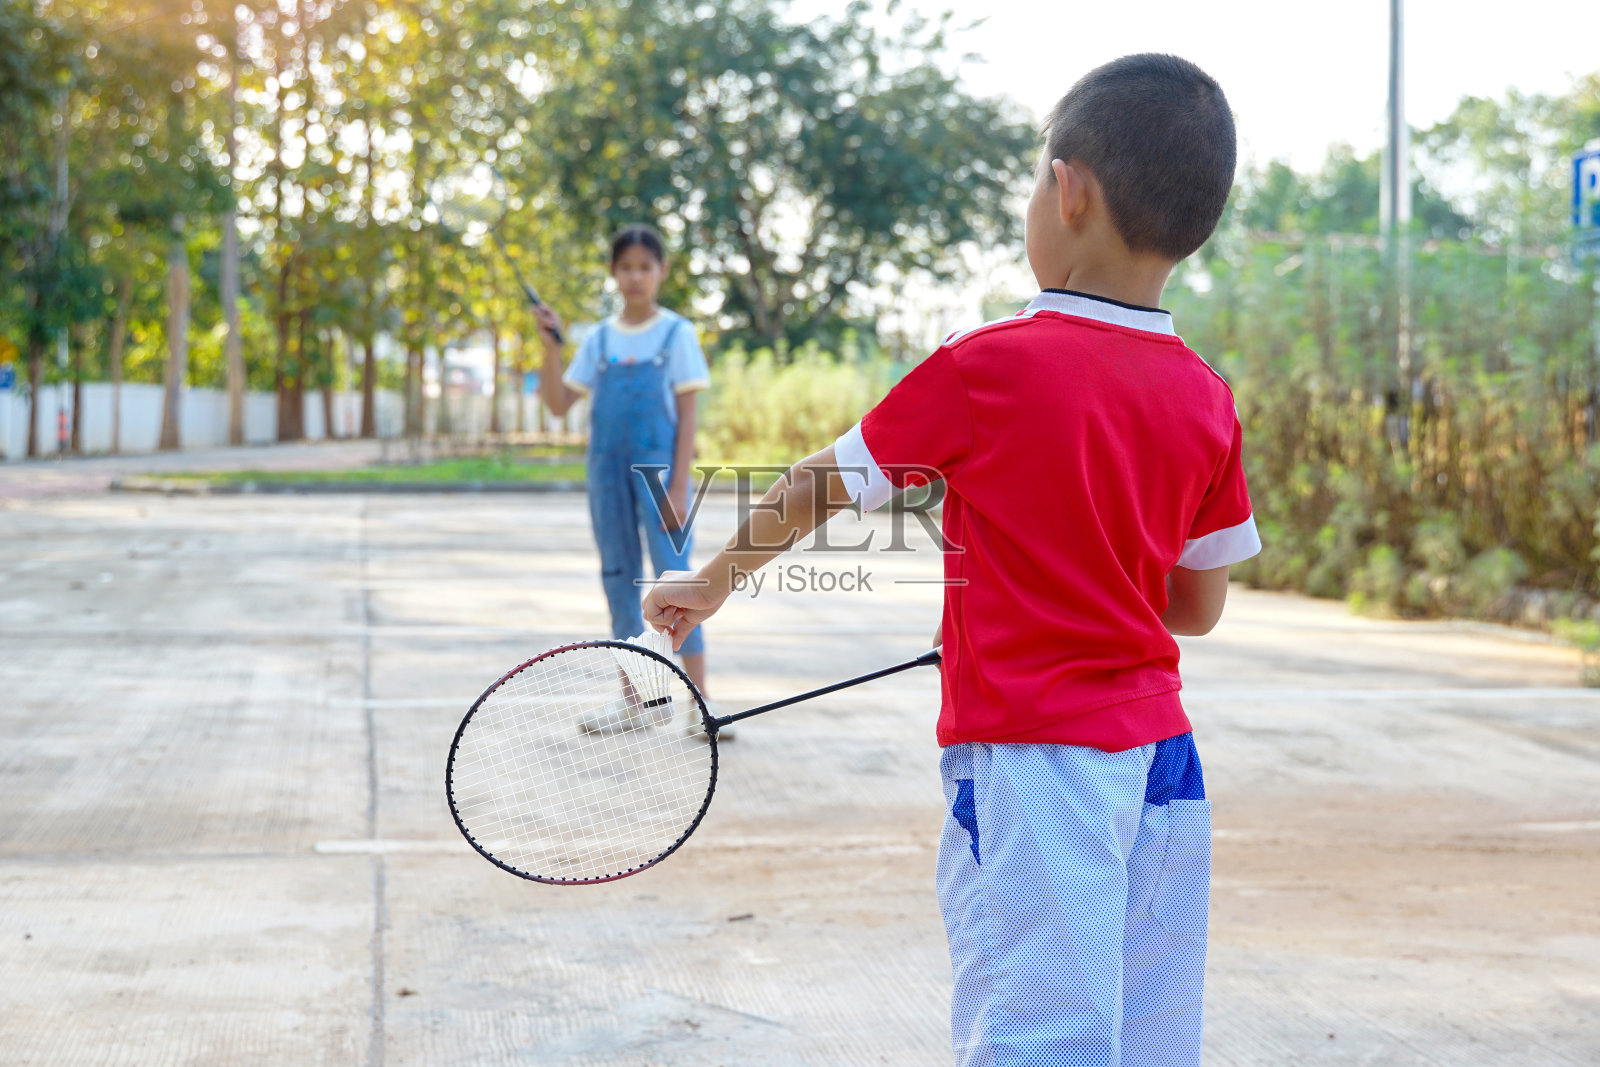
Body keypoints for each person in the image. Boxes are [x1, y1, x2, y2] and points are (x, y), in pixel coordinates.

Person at [643, 53, 1257, 1066]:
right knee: (1148, 1041)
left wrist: (709, 581)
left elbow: (821, 483)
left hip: (1037, 766)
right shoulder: (1206, 397)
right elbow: (1195, 607)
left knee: (1041, 1040)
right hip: (1163, 768)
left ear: (1067, 189)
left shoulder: (989, 365)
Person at [534, 224, 727, 737]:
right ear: (613, 273)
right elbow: (558, 404)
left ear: (662, 271)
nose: (635, 277)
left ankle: (701, 702)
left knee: (679, 580)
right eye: (626, 267)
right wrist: (550, 347)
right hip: (606, 475)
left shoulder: (677, 334)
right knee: (618, 577)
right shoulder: (599, 339)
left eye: (645, 266)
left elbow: (688, 417)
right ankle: (634, 702)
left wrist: (680, 487)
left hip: (661, 477)